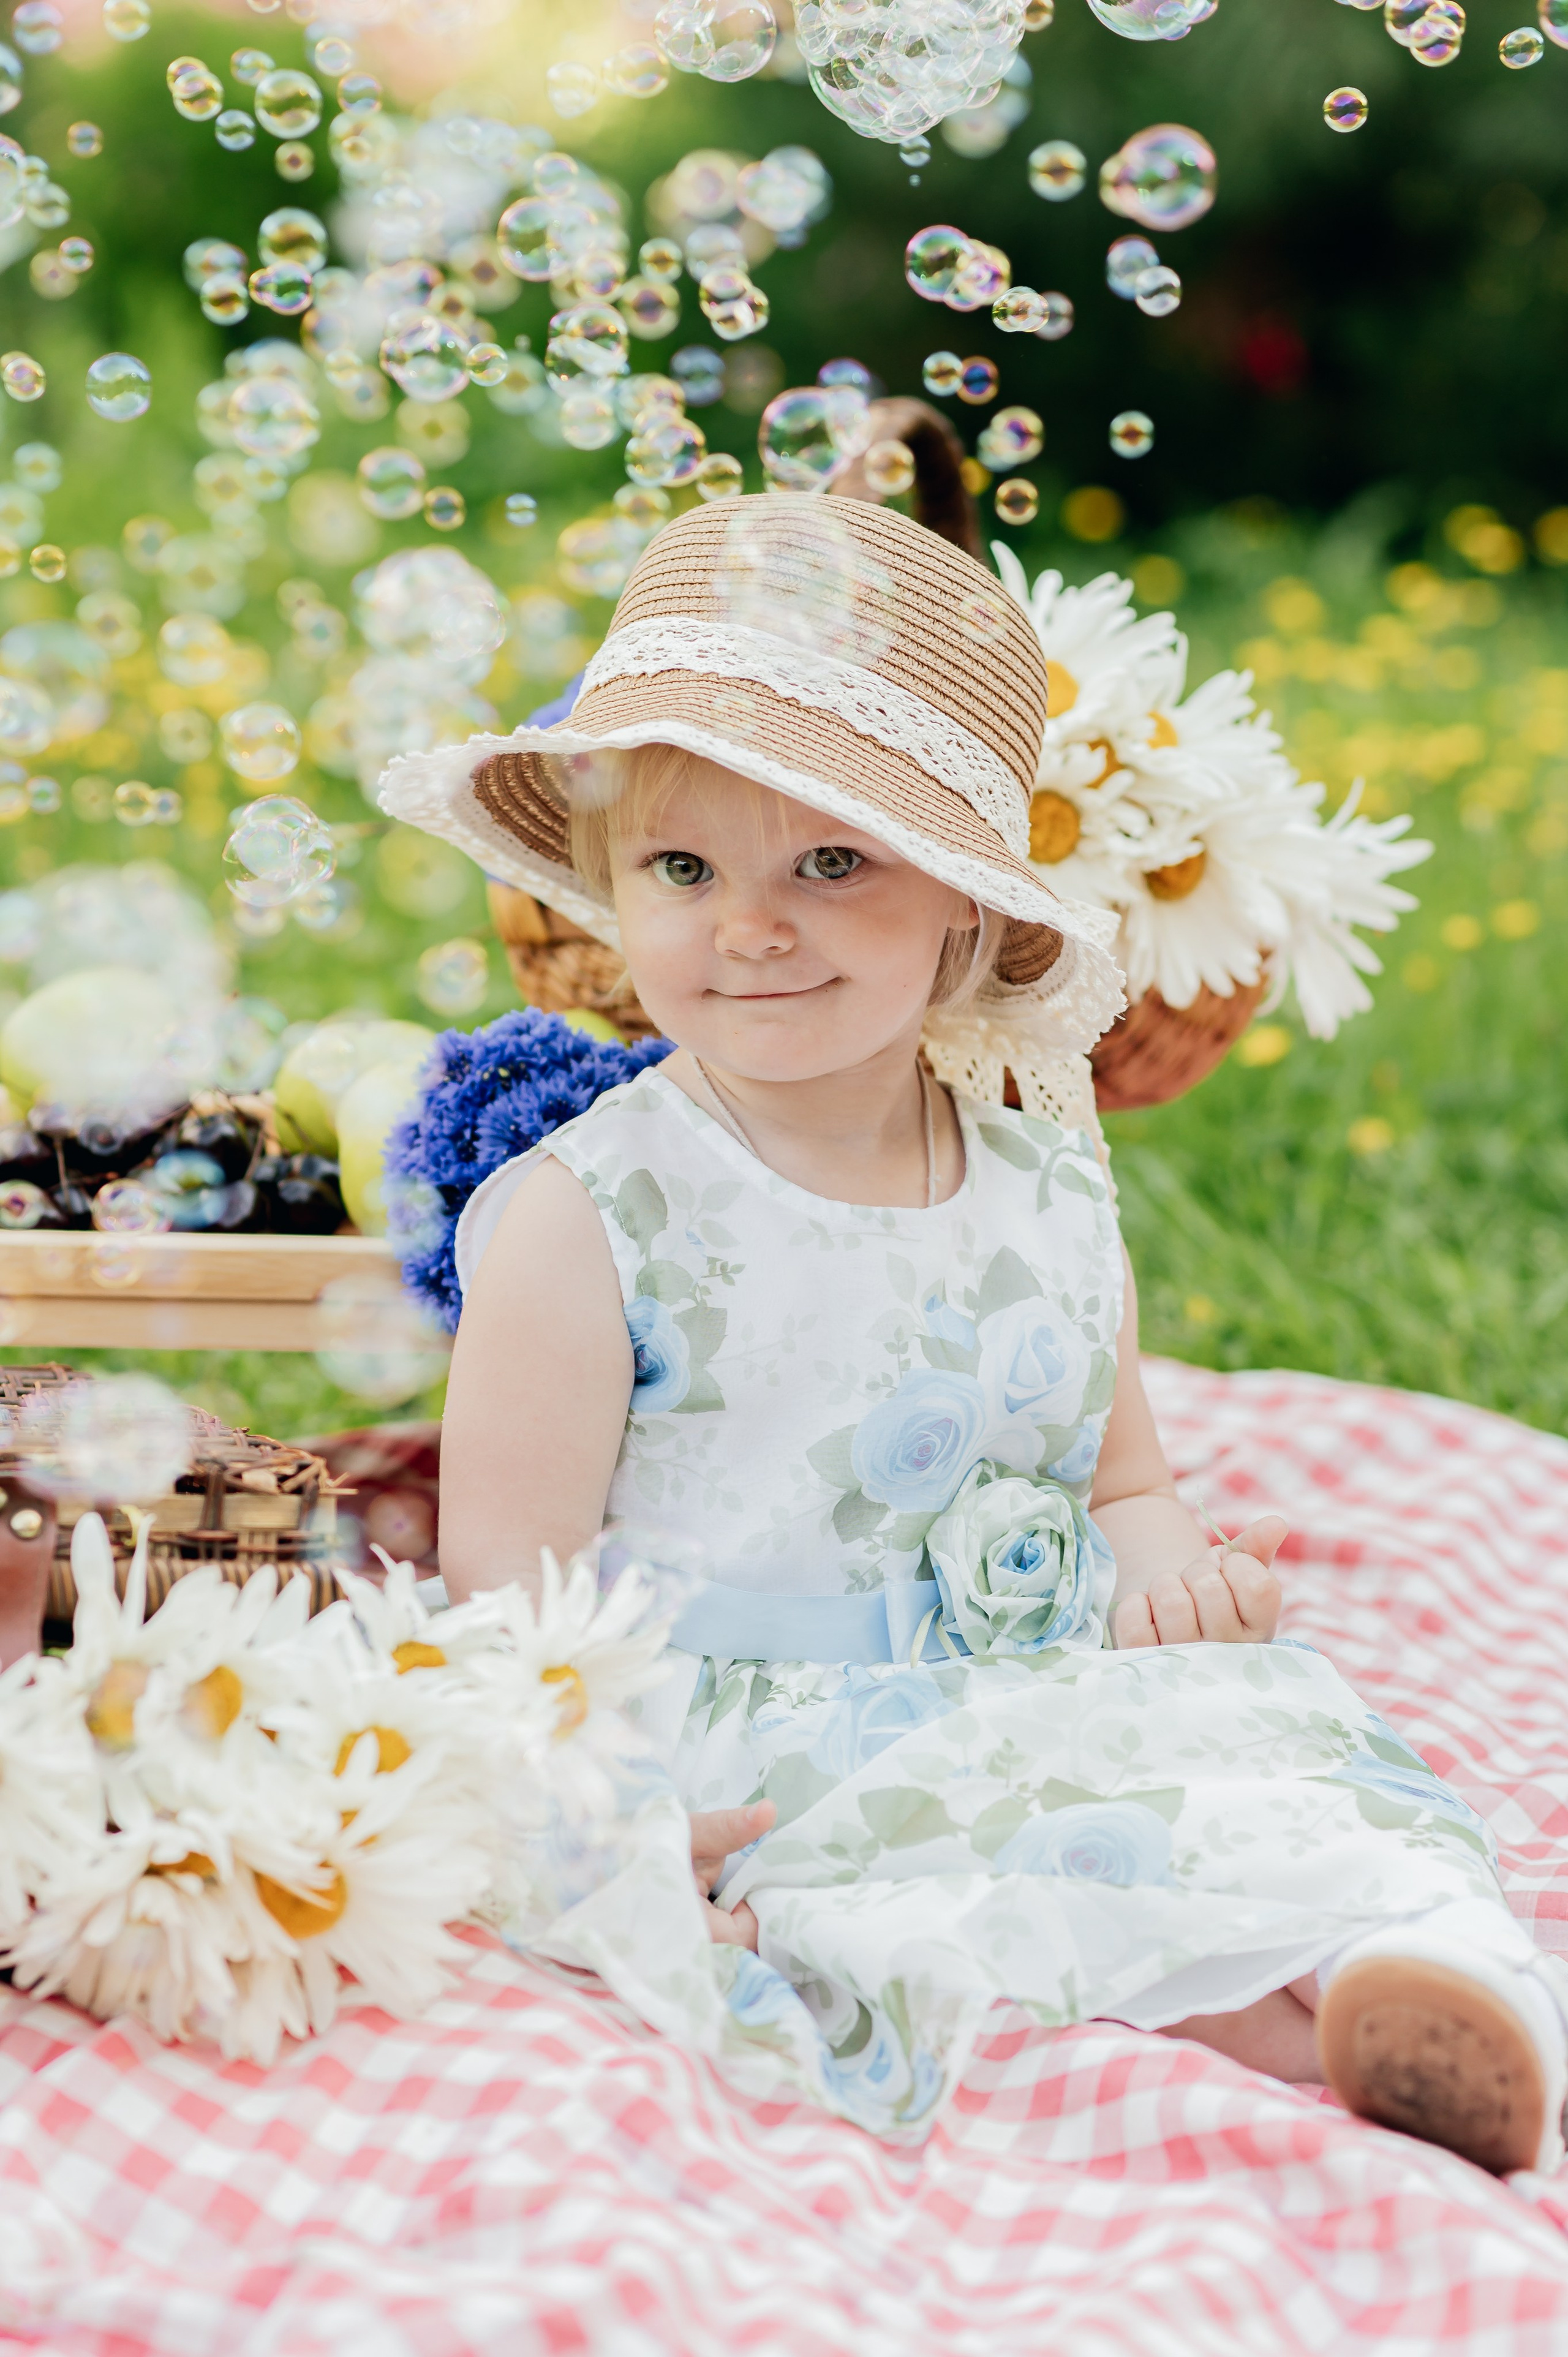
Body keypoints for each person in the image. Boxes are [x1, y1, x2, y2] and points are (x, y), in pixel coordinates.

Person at [384, 494, 1568, 2175]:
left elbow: (1120, 1475)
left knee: (1271, 1759)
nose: (750, 924)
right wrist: (597, 1838)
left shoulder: (1041, 1180)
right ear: (606, 884)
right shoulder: (597, 1215)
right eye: (683, 866)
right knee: (951, 1897)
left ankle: (1430, 1968)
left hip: (1041, 1675)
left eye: (832, 861)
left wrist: (1173, 1578)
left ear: (965, 904)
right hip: (762, 1727)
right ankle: (1305, 2029)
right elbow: (509, 1592)